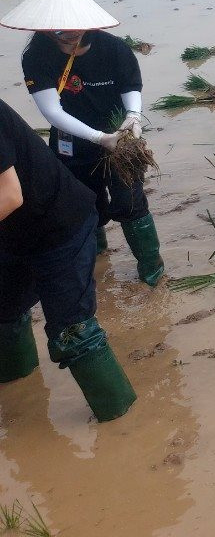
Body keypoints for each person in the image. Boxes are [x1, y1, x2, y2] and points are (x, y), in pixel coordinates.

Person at [1, 0, 162, 286]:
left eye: (73, 30)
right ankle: (98, 266)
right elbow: (52, 111)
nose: (67, 37)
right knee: (83, 208)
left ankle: (152, 272)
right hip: (70, 143)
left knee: (130, 202)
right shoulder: (37, 56)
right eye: (58, 32)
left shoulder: (113, 49)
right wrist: (99, 138)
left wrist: (132, 118)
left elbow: (131, 86)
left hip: (120, 139)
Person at [0, 95, 136, 421]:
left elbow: (9, 194)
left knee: (72, 333)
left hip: (60, 224)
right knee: (4, 310)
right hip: (11, 235)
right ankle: (19, 389)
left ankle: (122, 421)